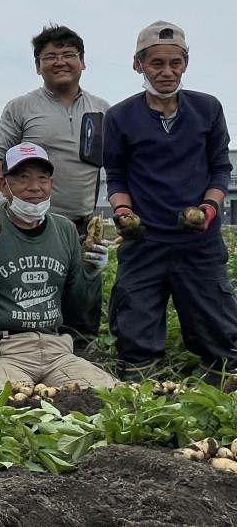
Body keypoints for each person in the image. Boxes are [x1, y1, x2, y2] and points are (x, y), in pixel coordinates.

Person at [103, 21, 237, 383]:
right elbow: (115, 175)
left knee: (220, 331)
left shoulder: (207, 109)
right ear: (138, 65)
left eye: (175, 63)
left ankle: (219, 397)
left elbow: (220, 168)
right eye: (156, 63)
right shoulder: (119, 116)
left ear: (185, 63)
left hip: (198, 241)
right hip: (143, 240)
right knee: (135, 333)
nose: (167, 72)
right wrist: (123, 212)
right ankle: (142, 404)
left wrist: (209, 209)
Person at [0, 143, 116, 390]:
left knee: (107, 395)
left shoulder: (65, 230)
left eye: (42, 178)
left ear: (51, 184)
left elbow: (78, 310)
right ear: (4, 186)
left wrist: (90, 275)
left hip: (55, 348)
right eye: (23, 178)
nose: (35, 187)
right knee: (12, 401)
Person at [0, 24, 109, 352]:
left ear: (83, 62)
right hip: (32, 224)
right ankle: (27, 354)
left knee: (84, 297)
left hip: (81, 223)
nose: (60, 62)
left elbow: (121, 164)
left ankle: (80, 358)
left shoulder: (102, 109)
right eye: (49, 56)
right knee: (32, 294)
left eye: (69, 54)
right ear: (38, 66)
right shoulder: (21, 107)